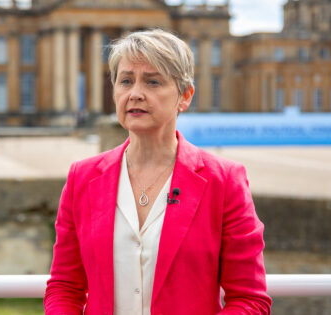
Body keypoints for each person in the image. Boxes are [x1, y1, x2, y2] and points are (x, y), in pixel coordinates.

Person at [44, 29, 272, 315]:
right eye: (125, 81)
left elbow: (250, 300)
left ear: (185, 96)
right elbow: (65, 287)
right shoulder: (83, 177)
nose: (135, 93)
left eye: (153, 82)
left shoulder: (224, 181)